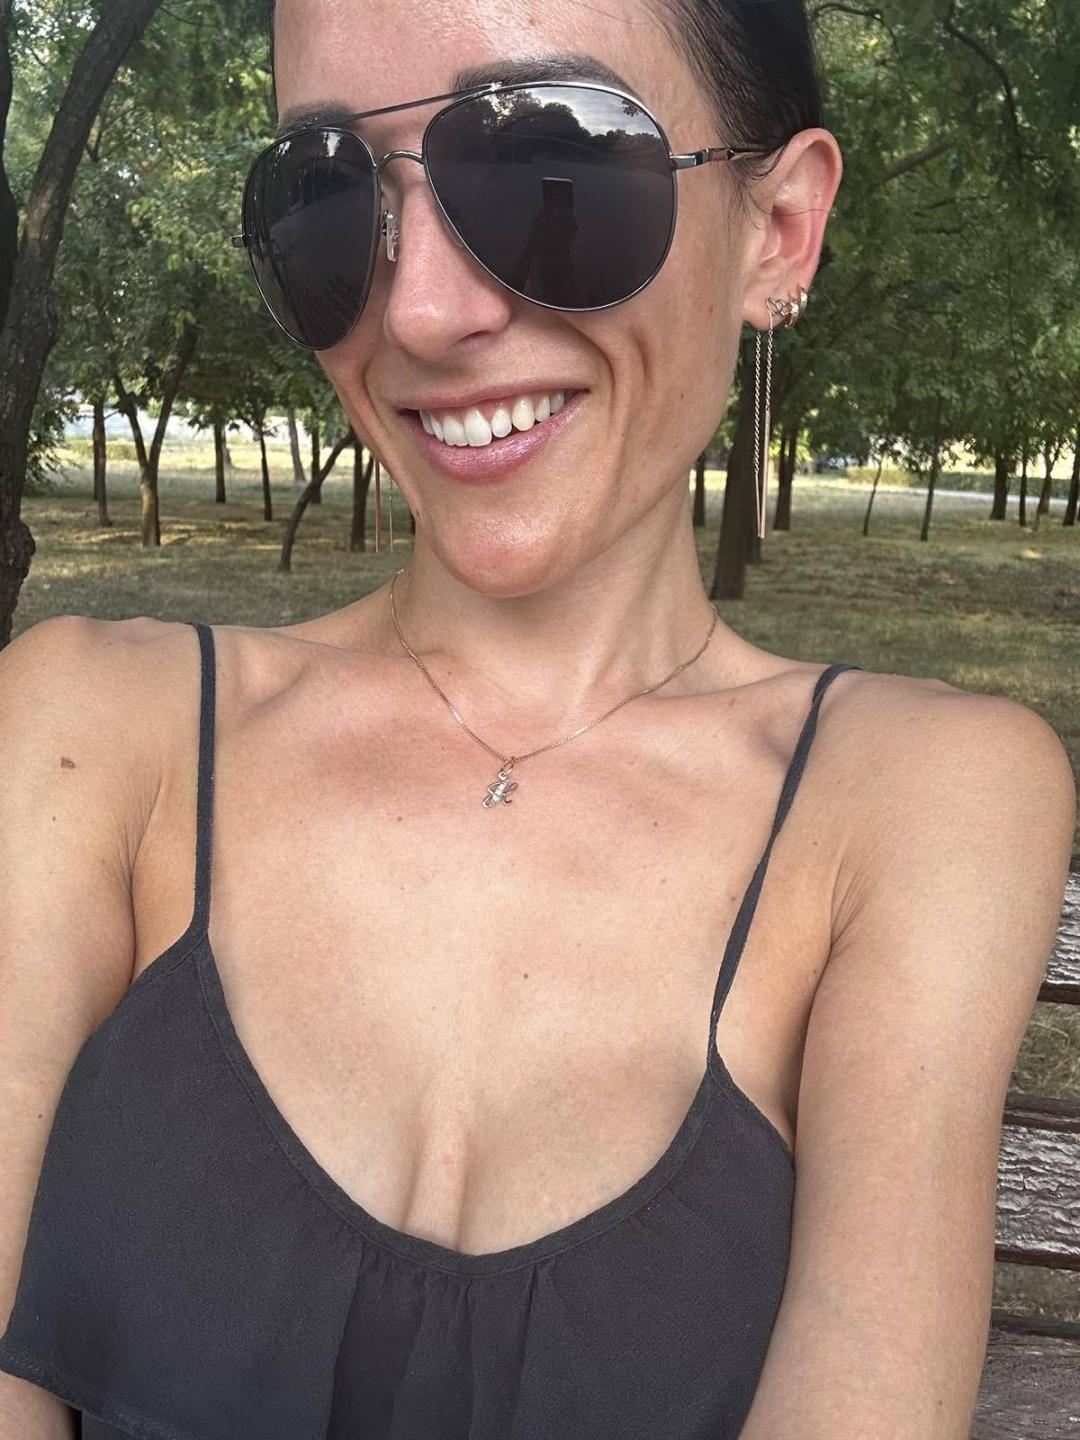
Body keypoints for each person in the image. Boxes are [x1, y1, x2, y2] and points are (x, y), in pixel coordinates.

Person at [0, 0, 1075, 1436]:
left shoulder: (921, 797)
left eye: (548, 167)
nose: (420, 310)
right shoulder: (89, 728)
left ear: (779, 229)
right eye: (327, 198)